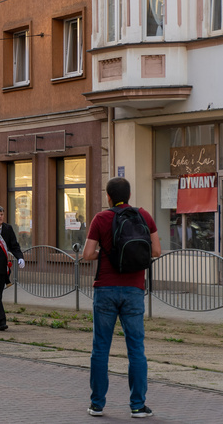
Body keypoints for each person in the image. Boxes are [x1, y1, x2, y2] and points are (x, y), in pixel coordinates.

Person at [83, 177, 160, 419]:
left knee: (100, 348)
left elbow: (86, 254)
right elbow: (156, 251)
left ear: (108, 197)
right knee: (136, 348)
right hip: (134, 289)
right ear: (128, 195)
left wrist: (104, 253)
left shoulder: (101, 218)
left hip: (105, 289)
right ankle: (137, 406)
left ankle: (97, 404)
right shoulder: (144, 216)